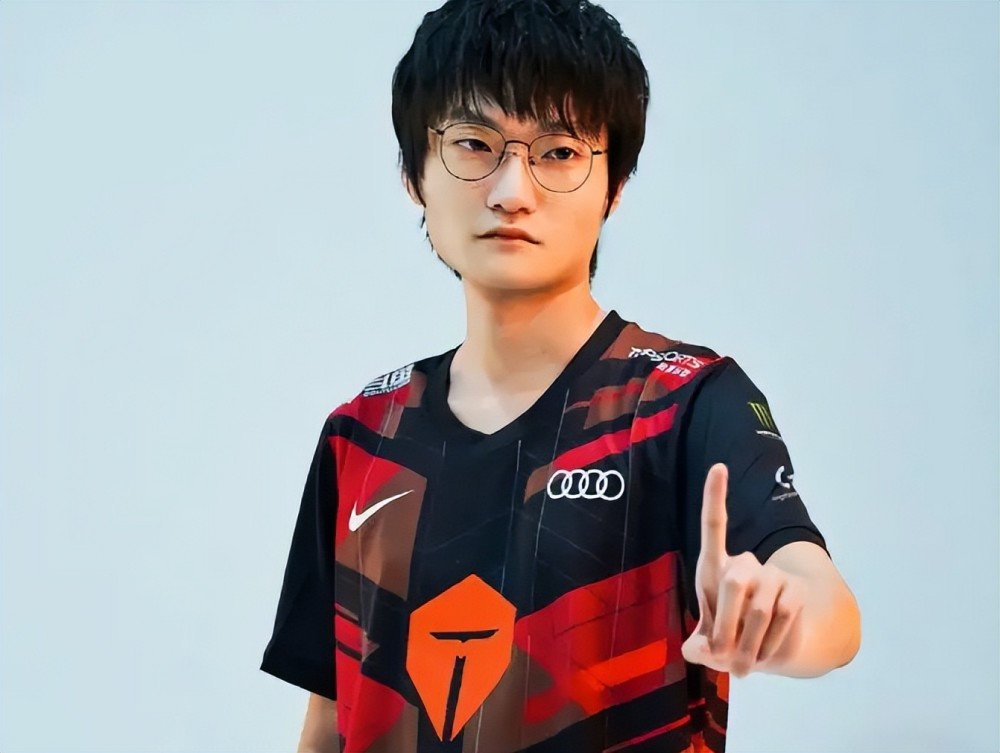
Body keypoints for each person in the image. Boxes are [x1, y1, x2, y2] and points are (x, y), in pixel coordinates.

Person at [260, 1, 862, 750]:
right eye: (474, 143)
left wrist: (780, 614)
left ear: (615, 185)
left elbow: (826, 604)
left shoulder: (683, 402)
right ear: (414, 173)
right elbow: (329, 717)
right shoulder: (362, 434)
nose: (512, 190)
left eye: (558, 151)